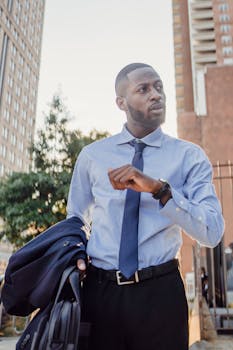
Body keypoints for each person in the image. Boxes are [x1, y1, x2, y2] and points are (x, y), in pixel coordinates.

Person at [67, 63, 224, 350]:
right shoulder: (93, 156)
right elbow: (75, 219)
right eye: (144, 89)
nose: (156, 95)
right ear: (121, 102)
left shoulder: (189, 157)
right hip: (100, 294)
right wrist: (75, 256)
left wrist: (159, 189)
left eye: (159, 87)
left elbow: (212, 231)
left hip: (161, 294)